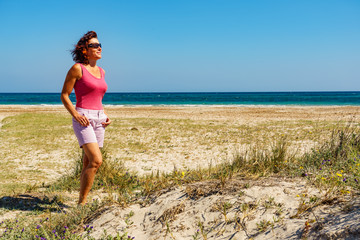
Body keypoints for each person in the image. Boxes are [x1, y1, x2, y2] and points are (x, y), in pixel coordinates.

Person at [60, 31, 111, 205]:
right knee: (97, 161)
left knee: (88, 162)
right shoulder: (77, 68)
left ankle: (81, 200)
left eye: (99, 45)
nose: (99, 48)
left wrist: (104, 115)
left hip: (99, 119)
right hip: (83, 118)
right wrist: (76, 114)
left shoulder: (102, 71)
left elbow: (97, 97)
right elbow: (65, 95)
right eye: (94, 45)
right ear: (85, 50)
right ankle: (82, 204)